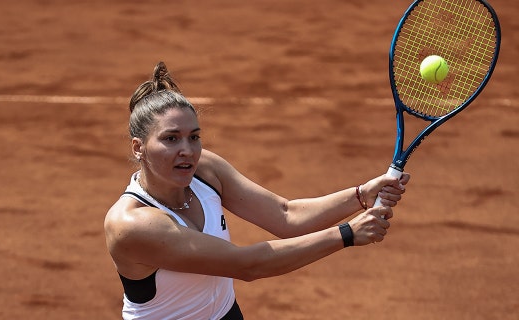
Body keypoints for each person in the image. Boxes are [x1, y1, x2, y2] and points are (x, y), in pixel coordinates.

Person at [104, 62, 411, 320]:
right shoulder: (131, 224)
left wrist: (359, 195)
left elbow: (285, 215)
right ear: (139, 147)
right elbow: (247, 264)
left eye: (193, 137)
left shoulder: (205, 169)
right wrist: (347, 234)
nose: (188, 150)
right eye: (171, 139)